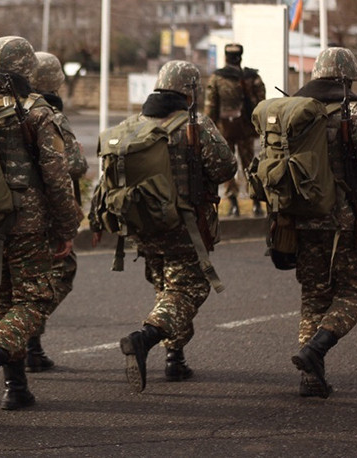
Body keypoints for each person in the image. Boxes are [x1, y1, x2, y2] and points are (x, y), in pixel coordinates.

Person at [0, 36, 83, 421]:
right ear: (27, 68)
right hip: (28, 224)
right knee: (34, 301)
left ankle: (17, 388)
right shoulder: (34, 109)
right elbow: (57, 175)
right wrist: (67, 226)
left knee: (7, 301)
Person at [90, 61, 236, 392]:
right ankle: (144, 338)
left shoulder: (132, 125)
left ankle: (175, 359)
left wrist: (97, 219)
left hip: (141, 226)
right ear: (190, 92)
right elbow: (226, 168)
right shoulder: (196, 124)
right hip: (184, 228)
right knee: (187, 290)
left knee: (166, 291)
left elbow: (109, 178)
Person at [288, 47, 357, 398]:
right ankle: (317, 347)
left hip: (300, 218)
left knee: (314, 295)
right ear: (347, 77)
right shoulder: (355, 111)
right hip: (345, 221)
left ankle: (310, 378)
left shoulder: (293, 110)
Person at [24, 51, 88, 373]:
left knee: (27, 280)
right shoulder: (50, 114)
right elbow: (73, 165)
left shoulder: (15, 108)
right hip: (47, 212)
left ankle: (31, 348)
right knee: (60, 273)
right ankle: (19, 336)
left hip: (18, 211)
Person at [204, 43, 266, 217]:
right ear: (241, 57)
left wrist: (209, 131)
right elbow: (262, 103)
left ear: (225, 57)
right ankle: (256, 203)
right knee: (250, 165)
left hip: (225, 131)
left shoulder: (217, 78)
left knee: (228, 166)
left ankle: (233, 204)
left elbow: (210, 107)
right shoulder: (252, 78)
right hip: (246, 130)